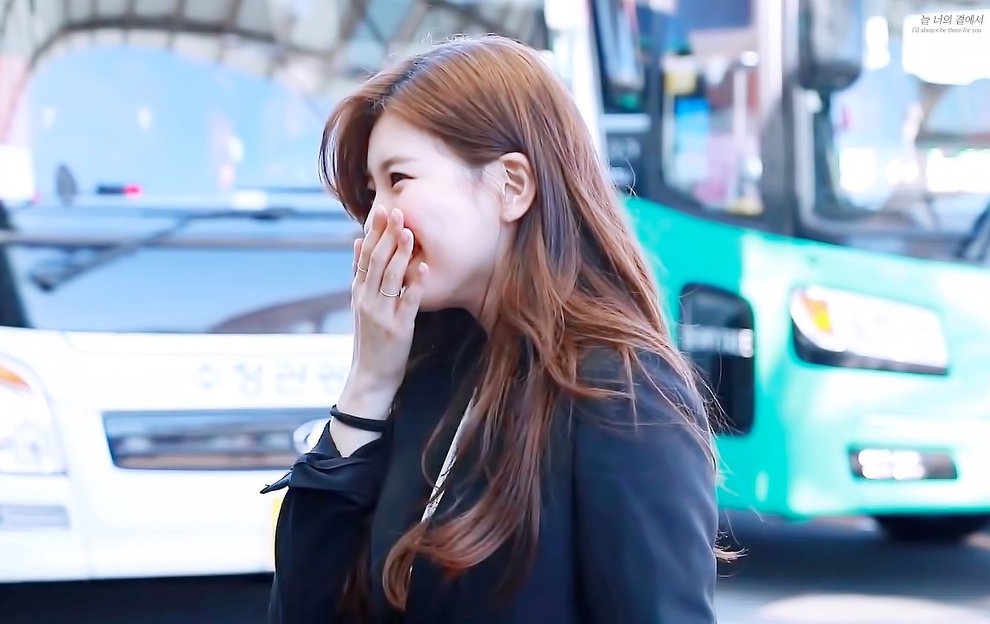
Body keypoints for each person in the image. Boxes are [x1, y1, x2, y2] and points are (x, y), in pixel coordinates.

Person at [262, 34, 729, 624]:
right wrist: (369, 383)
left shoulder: (620, 392)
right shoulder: (433, 372)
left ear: (512, 186)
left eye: (398, 179)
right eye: (372, 192)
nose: (377, 218)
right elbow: (304, 608)